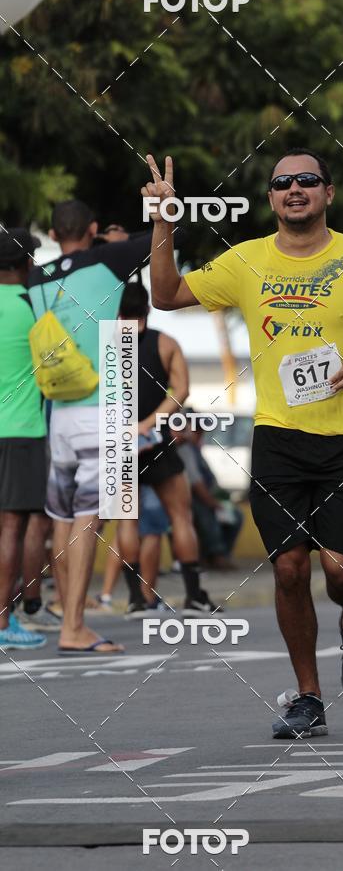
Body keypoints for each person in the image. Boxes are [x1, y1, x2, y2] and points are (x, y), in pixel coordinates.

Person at [143, 148, 343, 738]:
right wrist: (164, 222)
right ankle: (307, 697)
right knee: (289, 569)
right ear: (271, 199)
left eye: (307, 181)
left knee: (342, 574)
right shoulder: (245, 262)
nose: (295, 189)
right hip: (276, 441)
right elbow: (165, 296)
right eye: (283, 183)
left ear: (328, 193)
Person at [27, 201, 165, 653]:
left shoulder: (37, 277)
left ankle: (71, 614)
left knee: (64, 519)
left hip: (57, 412)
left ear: (52, 231)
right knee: (92, 516)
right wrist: (124, 239)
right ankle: (74, 627)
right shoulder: (108, 259)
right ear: (91, 228)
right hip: (103, 407)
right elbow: (169, 238)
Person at [116, 281, 221, 617]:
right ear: (147, 307)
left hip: (118, 444)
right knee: (181, 516)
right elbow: (183, 390)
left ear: (117, 311)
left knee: (126, 521)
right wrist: (150, 422)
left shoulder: (105, 345)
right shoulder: (166, 342)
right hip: (158, 442)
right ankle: (194, 597)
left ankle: (135, 601)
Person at [0, 228, 49, 650]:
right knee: (12, 526)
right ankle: (2, 623)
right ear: (21, 265)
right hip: (21, 430)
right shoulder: (31, 307)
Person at [175, 417, 243, 570]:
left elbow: (210, 479)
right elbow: (196, 483)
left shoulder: (196, 450)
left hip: (207, 495)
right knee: (206, 513)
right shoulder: (184, 449)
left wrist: (219, 499)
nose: (198, 435)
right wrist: (212, 502)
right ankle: (215, 555)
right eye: (196, 431)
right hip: (192, 498)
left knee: (235, 515)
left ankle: (223, 554)